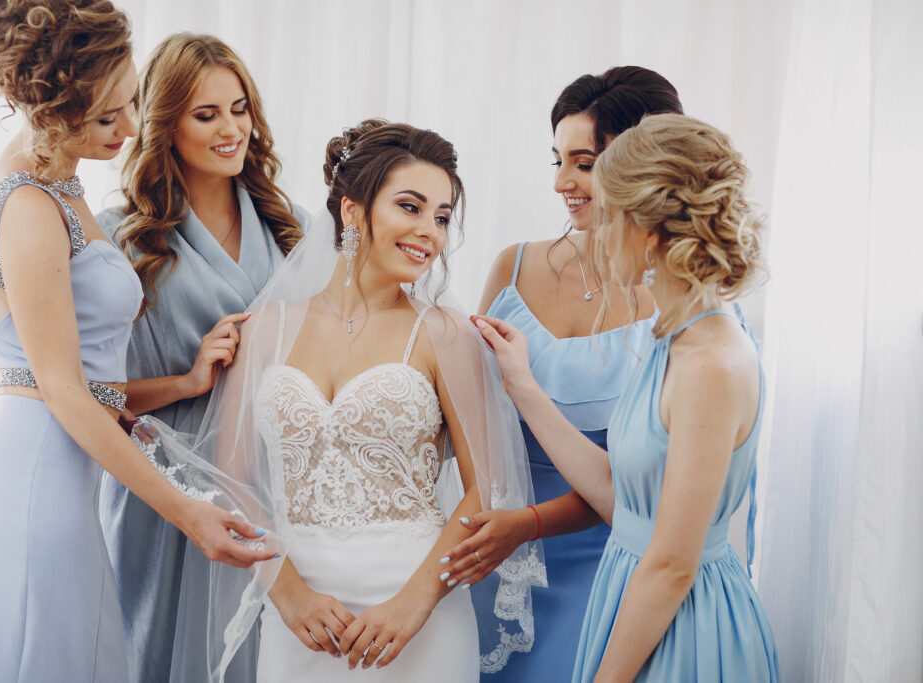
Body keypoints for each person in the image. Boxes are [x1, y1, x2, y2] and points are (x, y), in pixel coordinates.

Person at [138, 119, 544, 682]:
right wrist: (287, 592)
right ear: (353, 211)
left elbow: (485, 488)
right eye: (411, 206)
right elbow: (233, 481)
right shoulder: (265, 329)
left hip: (418, 614)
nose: (430, 230)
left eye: (443, 216)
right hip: (300, 615)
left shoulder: (445, 332)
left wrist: (416, 603)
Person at [0, 4, 275, 681]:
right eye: (105, 118)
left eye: (129, 104)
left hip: (58, 468)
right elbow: (60, 387)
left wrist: (180, 385)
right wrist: (189, 513)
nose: (129, 128)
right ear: (50, 106)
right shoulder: (29, 202)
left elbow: (10, 353)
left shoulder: (58, 181)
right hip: (32, 476)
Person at [473, 113, 778, 681]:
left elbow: (670, 564)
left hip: (681, 626)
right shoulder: (673, 337)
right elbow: (621, 495)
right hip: (634, 600)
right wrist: (522, 384)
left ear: (649, 231)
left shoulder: (709, 362)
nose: (595, 234)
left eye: (608, 215)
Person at [440, 66, 680, 678]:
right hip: (493, 556)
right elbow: (465, 417)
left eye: (583, 163)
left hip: (609, 562)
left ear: (643, 165)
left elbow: (653, 488)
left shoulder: (675, 301)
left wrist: (528, 525)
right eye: (557, 162)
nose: (562, 184)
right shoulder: (511, 267)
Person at [96, 33, 308, 682]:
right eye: (206, 113)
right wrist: (188, 378)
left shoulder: (293, 229)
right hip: (164, 486)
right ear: (165, 124)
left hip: (273, 481)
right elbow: (82, 394)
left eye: (239, 108)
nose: (231, 129)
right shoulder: (119, 238)